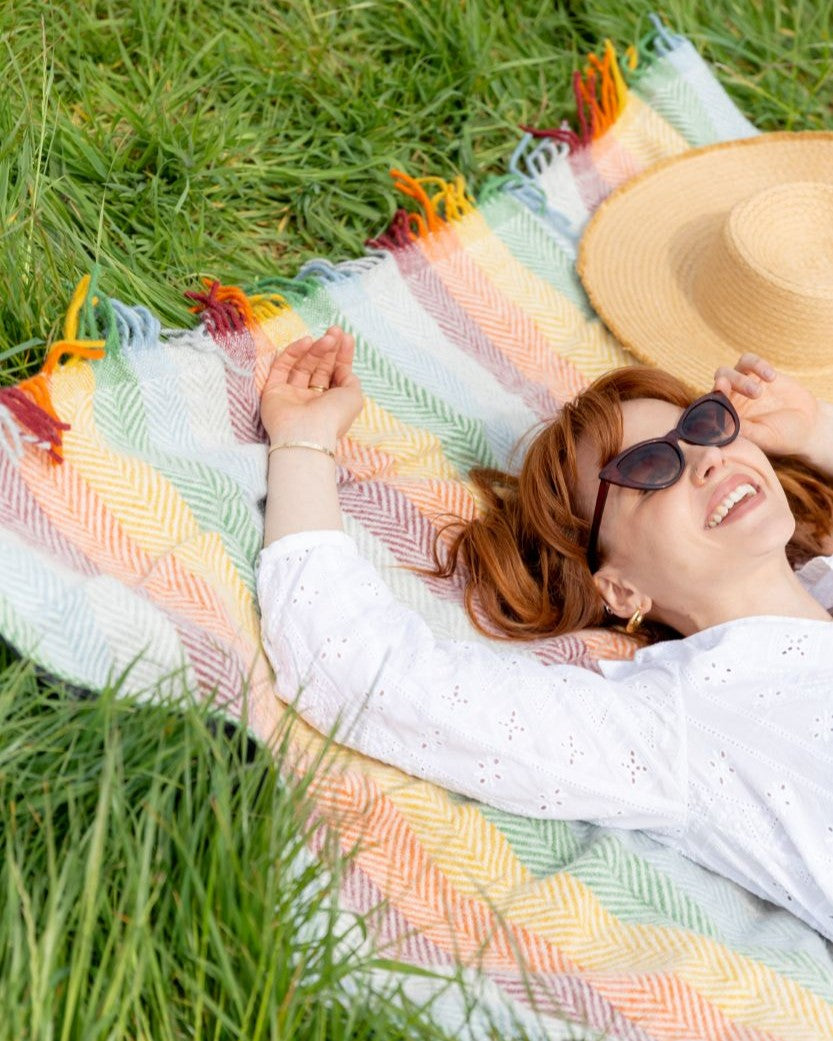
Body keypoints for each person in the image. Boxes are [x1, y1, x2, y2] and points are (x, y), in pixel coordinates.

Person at [255, 325, 833, 942]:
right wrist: (303, 444)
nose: (708, 456)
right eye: (649, 466)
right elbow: (364, 670)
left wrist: (819, 435)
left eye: (704, 424)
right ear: (620, 590)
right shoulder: (681, 721)